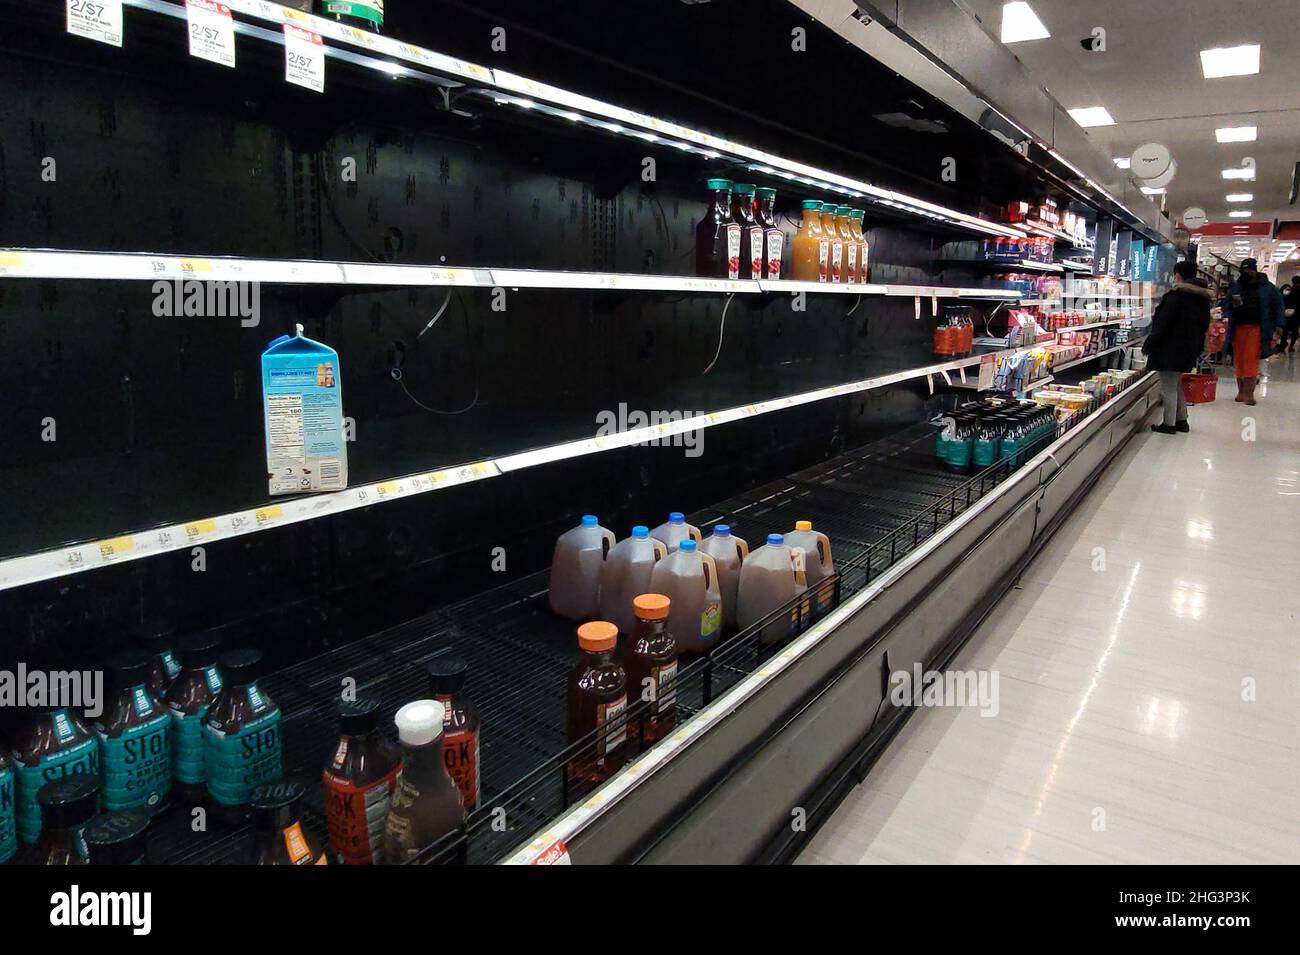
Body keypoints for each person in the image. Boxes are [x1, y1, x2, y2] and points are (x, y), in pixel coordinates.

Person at [1143, 260, 1213, 434]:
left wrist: (1150, 344)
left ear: (1178, 275)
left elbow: (1162, 324)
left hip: (1169, 348)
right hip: (1188, 348)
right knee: (1176, 384)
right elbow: (1204, 325)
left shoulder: (1175, 297)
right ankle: (1182, 420)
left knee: (1168, 387)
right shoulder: (1202, 299)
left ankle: (1169, 424)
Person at [1222, 258, 1284, 405]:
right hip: (1237, 328)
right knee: (1239, 359)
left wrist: (1279, 325)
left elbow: (1278, 306)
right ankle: (1241, 391)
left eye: (1249, 269)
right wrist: (1228, 310)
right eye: (1244, 270)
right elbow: (1226, 304)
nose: (1247, 272)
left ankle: (1249, 393)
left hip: (1257, 328)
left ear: (1255, 270)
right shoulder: (1236, 287)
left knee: (1251, 358)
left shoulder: (1268, 288)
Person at [1281, 275, 1300, 353]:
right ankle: (1291, 346)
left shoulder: (1288, 290)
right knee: (1294, 330)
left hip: (1287, 312)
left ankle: (1283, 344)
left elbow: (1283, 299)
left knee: (1285, 330)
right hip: (1296, 313)